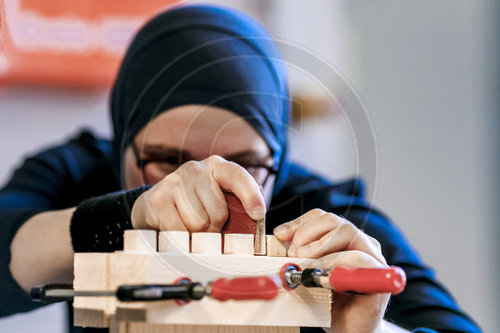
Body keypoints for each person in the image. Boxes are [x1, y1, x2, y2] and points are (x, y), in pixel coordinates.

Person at [0, 4, 481, 333]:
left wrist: (371, 328)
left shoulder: (325, 216)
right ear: (124, 136)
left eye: (246, 165)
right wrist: (126, 216)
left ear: (277, 154)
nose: (207, 190)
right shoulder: (77, 171)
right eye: (169, 162)